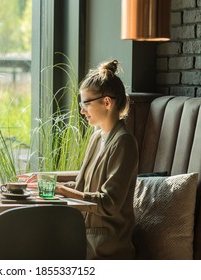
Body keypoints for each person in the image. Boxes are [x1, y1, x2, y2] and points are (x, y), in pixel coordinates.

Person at [55, 60, 139, 259]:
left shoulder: (124, 143)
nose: (82, 111)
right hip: (86, 238)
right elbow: (82, 185)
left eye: (86, 104)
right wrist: (42, 183)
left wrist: (63, 190)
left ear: (107, 102)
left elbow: (109, 203)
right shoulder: (97, 137)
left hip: (107, 247)